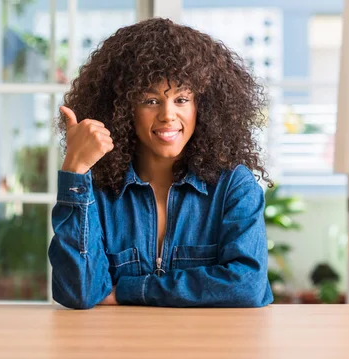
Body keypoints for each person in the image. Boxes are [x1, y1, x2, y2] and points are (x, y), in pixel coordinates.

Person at [48, 17, 273, 309]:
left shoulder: (233, 186)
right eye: (151, 100)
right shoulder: (98, 189)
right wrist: (75, 172)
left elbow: (247, 286)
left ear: (201, 107)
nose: (168, 115)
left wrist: (128, 290)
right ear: (123, 108)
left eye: (181, 99)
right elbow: (80, 292)